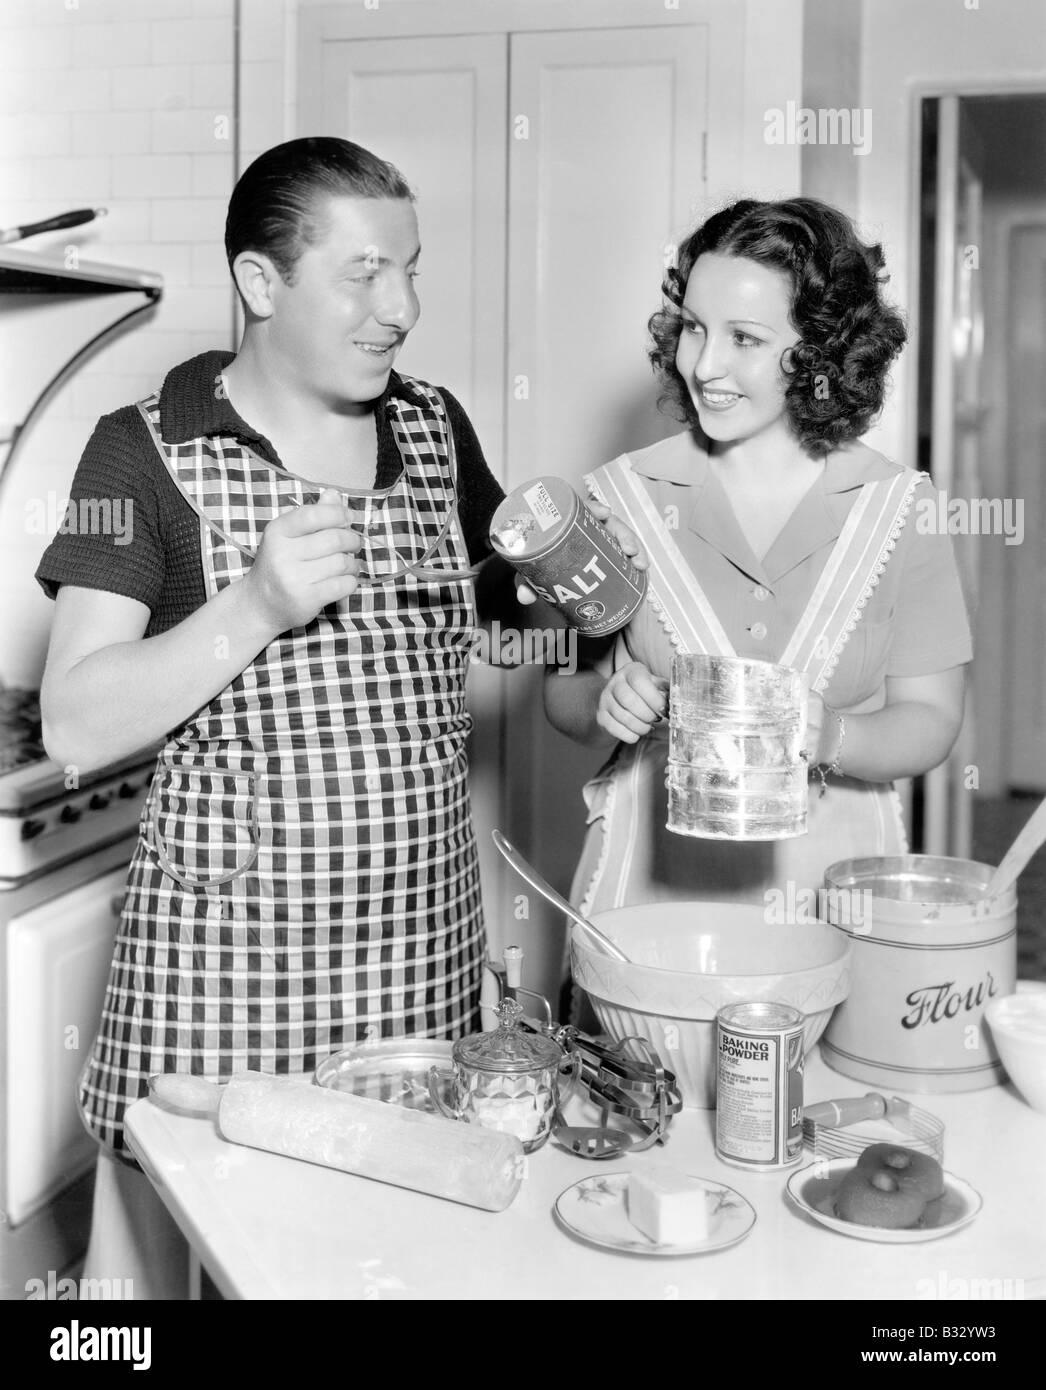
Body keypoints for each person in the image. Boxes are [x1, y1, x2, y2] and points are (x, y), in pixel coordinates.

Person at [35, 136, 638, 1296]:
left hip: (416, 951)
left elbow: (530, 619)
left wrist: (607, 600)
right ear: (262, 285)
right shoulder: (139, 450)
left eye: (408, 269)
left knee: (382, 1259)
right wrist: (255, 604)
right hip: (223, 965)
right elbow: (74, 724)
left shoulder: (430, 429)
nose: (400, 307)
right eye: (362, 274)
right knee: (155, 1272)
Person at [544, 197, 972, 920]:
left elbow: (930, 717)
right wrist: (601, 704)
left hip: (838, 897)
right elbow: (562, 692)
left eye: (744, 336)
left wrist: (833, 735)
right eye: (695, 329)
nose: (704, 364)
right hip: (650, 899)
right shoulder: (617, 498)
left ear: (822, 351)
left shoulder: (900, 510)